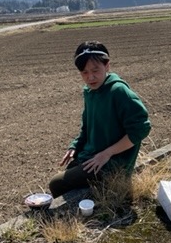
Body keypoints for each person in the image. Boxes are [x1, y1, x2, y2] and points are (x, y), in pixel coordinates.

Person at [49, 41, 151, 198]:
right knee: (69, 174)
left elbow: (141, 128)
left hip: (113, 163)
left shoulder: (118, 91)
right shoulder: (89, 92)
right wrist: (75, 146)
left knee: (56, 184)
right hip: (92, 156)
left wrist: (106, 154)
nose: (90, 77)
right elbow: (87, 127)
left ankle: (106, 201)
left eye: (95, 70)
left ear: (107, 65)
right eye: (84, 72)